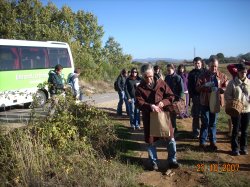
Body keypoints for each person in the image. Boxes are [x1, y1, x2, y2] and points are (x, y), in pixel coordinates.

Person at [135, 64, 180, 170]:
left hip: (163, 115)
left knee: (170, 138)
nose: (149, 79)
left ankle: (172, 160)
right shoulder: (140, 88)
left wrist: (163, 103)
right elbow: (138, 103)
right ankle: (153, 162)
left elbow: (171, 96)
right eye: (146, 77)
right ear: (142, 76)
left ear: (153, 73)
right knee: (151, 141)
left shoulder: (161, 83)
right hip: (149, 117)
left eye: (150, 76)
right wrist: (150, 106)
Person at [196, 56, 228, 151]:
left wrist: (222, 89)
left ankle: (213, 142)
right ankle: (202, 142)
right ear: (208, 65)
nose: (214, 68)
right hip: (205, 102)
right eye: (212, 66)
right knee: (205, 122)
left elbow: (226, 87)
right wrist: (205, 86)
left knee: (213, 123)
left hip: (216, 102)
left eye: (216, 66)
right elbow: (197, 88)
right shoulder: (202, 76)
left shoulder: (222, 76)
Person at [224, 64, 250, 156]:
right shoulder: (232, 83)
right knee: (235, 129)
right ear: (238, 72)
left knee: (244, 130)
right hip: (235, 110)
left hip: (247, 109)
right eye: (241, 72)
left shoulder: (249, 83)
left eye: (245, 72)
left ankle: (243, 147)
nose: (243, 74)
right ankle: (235, 148)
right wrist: (233, 101)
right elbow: (227, 95)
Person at [165, 64, 184, 133]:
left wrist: (179, 99)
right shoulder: (167, 77)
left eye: (169, 70)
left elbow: (182, 90)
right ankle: (170, 129)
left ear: (173, 69)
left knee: (173, 115)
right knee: (168, 115)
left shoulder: (178, 78)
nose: (168, 71)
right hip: (167, 99)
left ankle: (174, 129)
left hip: (175, 99)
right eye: (167, 70)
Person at [188, 57, 204, 138]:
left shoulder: (205, 72)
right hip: (196, 96)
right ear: (193, 64)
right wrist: (191, 96)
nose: (197, 65)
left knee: (205, 115)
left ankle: (204, 132)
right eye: (195, 63)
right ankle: (196, 132)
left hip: (205, 96)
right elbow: (189, 86)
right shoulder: (191, 73)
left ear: (201, 63)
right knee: (196, 115)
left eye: (198, 63)